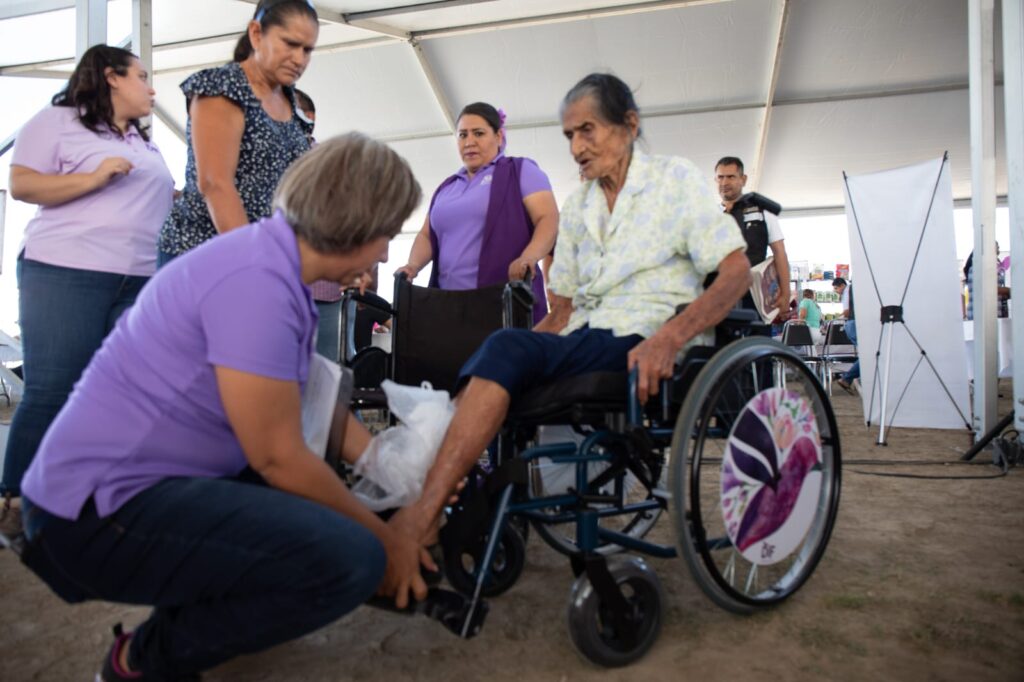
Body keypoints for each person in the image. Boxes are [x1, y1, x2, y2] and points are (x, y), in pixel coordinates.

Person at [18, 134, 429, 681]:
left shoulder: (273, 265)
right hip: (89, 516)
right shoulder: (256, 283)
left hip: (131, 491)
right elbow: (278, 456)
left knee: (320, 511)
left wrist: (393, 472)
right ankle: (140, 663)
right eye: (386, 234)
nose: (383, 252)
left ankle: (182, 611)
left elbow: (316, 405)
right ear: (356, 222)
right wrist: (388, 543)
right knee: (350, 558)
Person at [387, 73, 751, 565]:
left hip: (649, 332)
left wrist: (671, 337)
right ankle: (448, 505)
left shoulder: (675, 180)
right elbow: (562, 311)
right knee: (502, 348)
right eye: (569, 136)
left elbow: (735, 273)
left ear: (628, 125)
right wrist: (519, 354)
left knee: (509, 350)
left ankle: (421, 518)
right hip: (586, 335)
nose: (577, 146)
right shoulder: (578, 206)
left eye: (588, 130)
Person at [0, 45, 173, 535]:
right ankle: (13, 502)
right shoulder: (57, 121)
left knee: (125, 390)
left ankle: (94, 495)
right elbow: (23, 185)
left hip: (139, 279)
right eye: (142, 76)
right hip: (64, 272)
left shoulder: (144, 141)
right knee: (54, 388)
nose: (151, 87)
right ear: (112, 77)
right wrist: (93, 177)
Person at [157, 0, 318, 265]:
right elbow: (215, 184)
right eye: (290, 44)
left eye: (307, 50)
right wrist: (252, 262)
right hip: (202, 254)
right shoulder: (223, 87)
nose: (299, 59)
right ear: (256, 33)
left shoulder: (289, 99)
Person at [397, 102, 559, 323]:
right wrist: (413, 266)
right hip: (447, 307)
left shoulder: (520, 170)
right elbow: (426, 235)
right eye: (462, 135)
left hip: (503, 303)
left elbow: (548, 218)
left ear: (499, 136)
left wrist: (529, 256)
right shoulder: (447, 186)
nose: (469, 142)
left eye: (479, 133)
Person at [715, 156, 791, 315]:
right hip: (721, 295)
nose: (724, 183)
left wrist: (786, 293)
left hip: (757, 294)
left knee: (758, 339)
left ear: (743, 179)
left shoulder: (763, 211)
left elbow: (780, 252)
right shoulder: (709, 215)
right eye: (720, 177)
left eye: (731, 177)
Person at [963, 246, 1011, 320]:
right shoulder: (979, 268)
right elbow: (991, 288)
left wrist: (1006, 294)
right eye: (996, 244)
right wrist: (1011, 291)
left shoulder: (993, 267)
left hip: (993, 315)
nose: (999, 246)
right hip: (982, 317)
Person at [832, 277, 859, 393]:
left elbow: (847, 311)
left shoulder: (848, 290)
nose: (836, 291)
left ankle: (847, 379)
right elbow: (848, 311)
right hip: (853, 323)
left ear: (842, 285)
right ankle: (847, 378)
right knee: (867, 356)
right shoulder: (850, 290)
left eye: (836, 288)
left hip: (850, 324)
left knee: (865, 355)